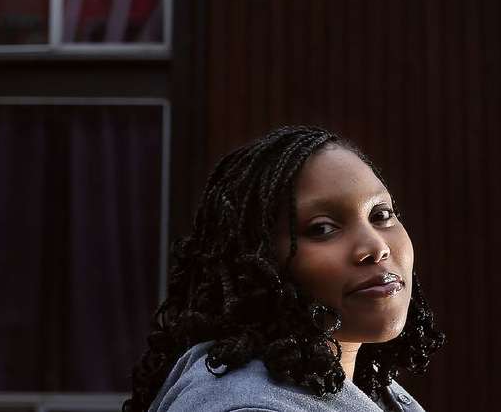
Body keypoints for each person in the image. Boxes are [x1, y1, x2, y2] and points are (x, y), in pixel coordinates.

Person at [124, 125, 446, 412]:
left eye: (381, 215)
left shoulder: (371, 389)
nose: (376, 247)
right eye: (322, 229)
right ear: (257, 262)